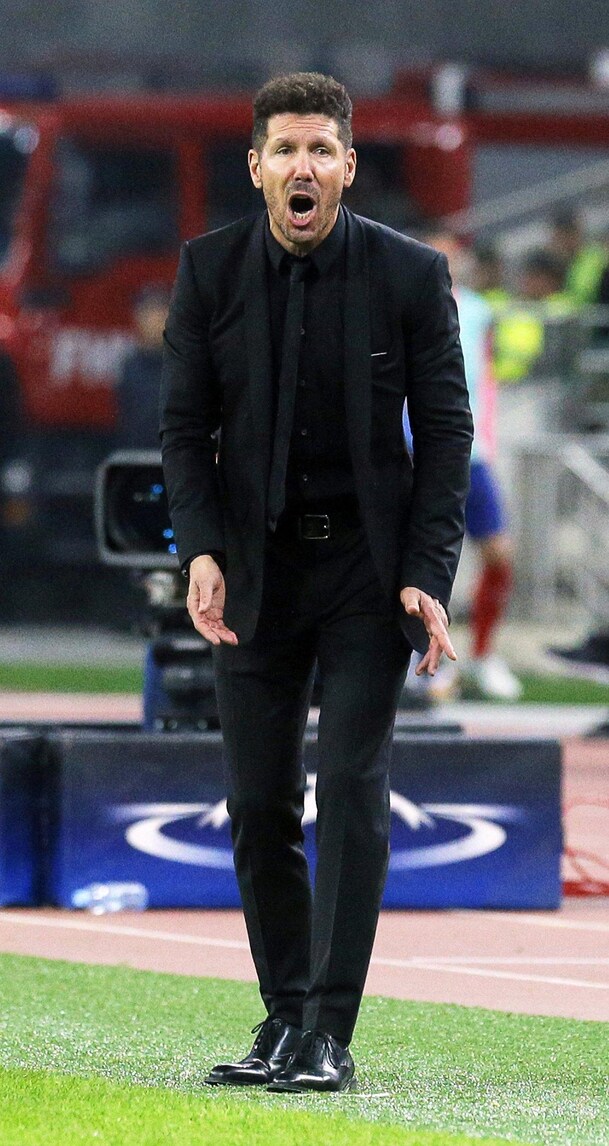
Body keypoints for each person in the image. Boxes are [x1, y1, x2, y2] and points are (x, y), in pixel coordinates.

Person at [160, 72, 472, 1094]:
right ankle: (283, 1014)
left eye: (321, 150)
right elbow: (183, 431)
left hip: (367, 578)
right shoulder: (207, 271)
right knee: (256, 804)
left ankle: (328, 1031)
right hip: (256, 572)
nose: (303, 166)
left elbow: (447, 435)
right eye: (285, 150)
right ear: (256, 168)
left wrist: (427, 574)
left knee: (346, 787)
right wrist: (202, 550)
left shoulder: (412, 274)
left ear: (346, 166)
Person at [406, 230, 521, 701]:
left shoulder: (479, 311)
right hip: (417, 452)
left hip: (471, 454)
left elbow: (486, 375)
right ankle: (419, 659)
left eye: (454, 254)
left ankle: (483, 655)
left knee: (499, 555)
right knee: (419, 559)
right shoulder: (406, 306)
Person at [115, 285, 170, 449]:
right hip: (137, 454)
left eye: (160, 315)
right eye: (149, 315)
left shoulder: (185, 368)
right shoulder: (129, 368)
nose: (155, 322)